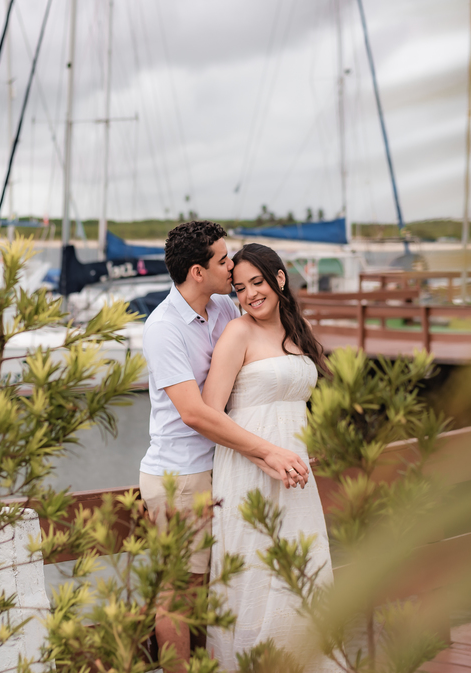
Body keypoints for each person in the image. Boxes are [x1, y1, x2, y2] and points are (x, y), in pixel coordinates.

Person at [140, 222, 311, 673]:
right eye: (223, 261)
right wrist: (268, 451)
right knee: (182, 591)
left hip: (224, 467)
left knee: (231, 580)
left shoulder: (220, 307)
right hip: (181, 474)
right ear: (198, 271)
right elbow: (195, 413)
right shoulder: (163, 328)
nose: (231, 266)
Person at [202, 243, 334, 669]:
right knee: (255, 576)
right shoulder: (238, 333)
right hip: (248, 469)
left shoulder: (298, 331)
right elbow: (208, 412)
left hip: (295, 473)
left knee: (302, 571)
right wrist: (265, 455)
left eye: (256, 283)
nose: (249, 294)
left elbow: (294, 403)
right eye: (239, 288)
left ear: (279, 279)